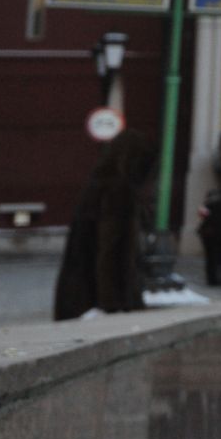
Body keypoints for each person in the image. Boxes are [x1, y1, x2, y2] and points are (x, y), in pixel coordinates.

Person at [53, 128, 156, 320]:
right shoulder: (120, 191)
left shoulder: (97, 185)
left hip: (77, 297)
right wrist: (116, 306)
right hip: (100, 304)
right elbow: (111, 251)